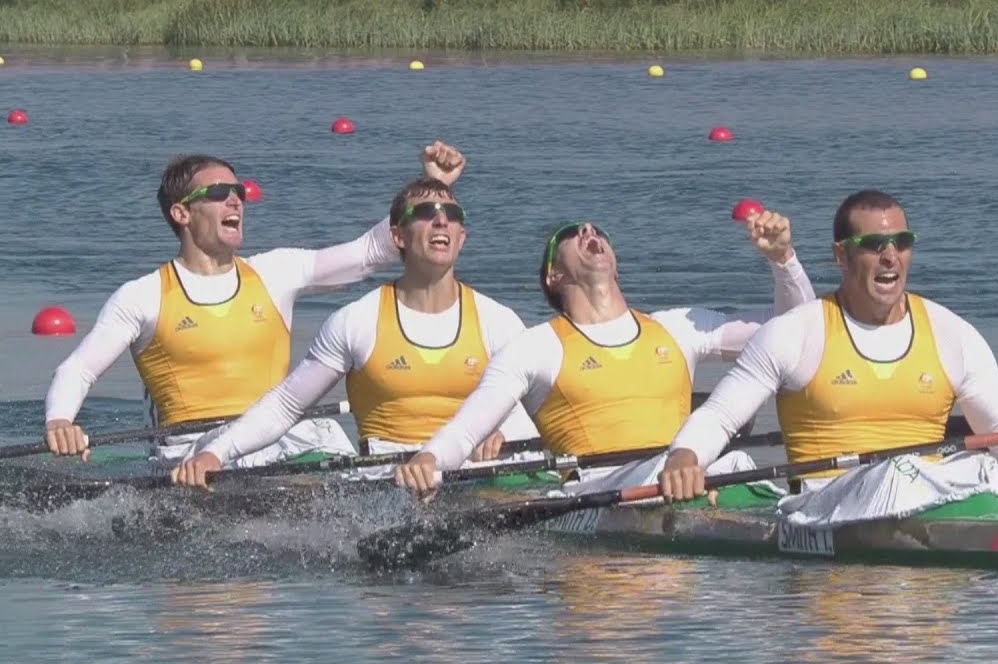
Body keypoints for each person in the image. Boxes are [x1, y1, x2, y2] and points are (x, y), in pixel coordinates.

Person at [658, 189, 998, 523]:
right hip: (825, 510)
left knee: (979, 468)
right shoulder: (795, 333)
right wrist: (684, 457)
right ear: (841, 255)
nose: (890, 256)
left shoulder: (952, 334)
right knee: (897, 473)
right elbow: (719, 418)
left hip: (929, 500)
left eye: (901, 242)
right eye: (874, 243)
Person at [42, 141, 468, 469]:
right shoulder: (143, 295)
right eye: (220, 192)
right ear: (181, 213)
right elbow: (78, 369)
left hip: (273, 439)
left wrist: (434, 191)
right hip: (190, 452)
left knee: (332, 442)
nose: (236, 200)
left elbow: (368, 254)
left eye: (239, 191)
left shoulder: (275, 272)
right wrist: (60, 421)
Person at [389, 210, 817, 496]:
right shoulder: (536, 347)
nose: (590, 234)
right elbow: (467, 431)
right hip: (598, 490)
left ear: (615, 263)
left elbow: (795, 334)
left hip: (690, 475)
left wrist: (783, 260)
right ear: (553, 274)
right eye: (573, 235)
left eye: (598, 232)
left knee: (736, 461)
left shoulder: (678, 327)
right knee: (685, 467)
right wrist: (429, 460)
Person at [169, 174, 540, 488]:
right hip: (389, 476)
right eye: (425, 214)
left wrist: (508, 434)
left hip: (475, 471)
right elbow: (286, 405)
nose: (441, 222)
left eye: (451, 215)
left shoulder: (499, 321)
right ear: (397, 236)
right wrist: (216, 453)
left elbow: (543, 409)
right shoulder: (356, 321)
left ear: (462, 237)